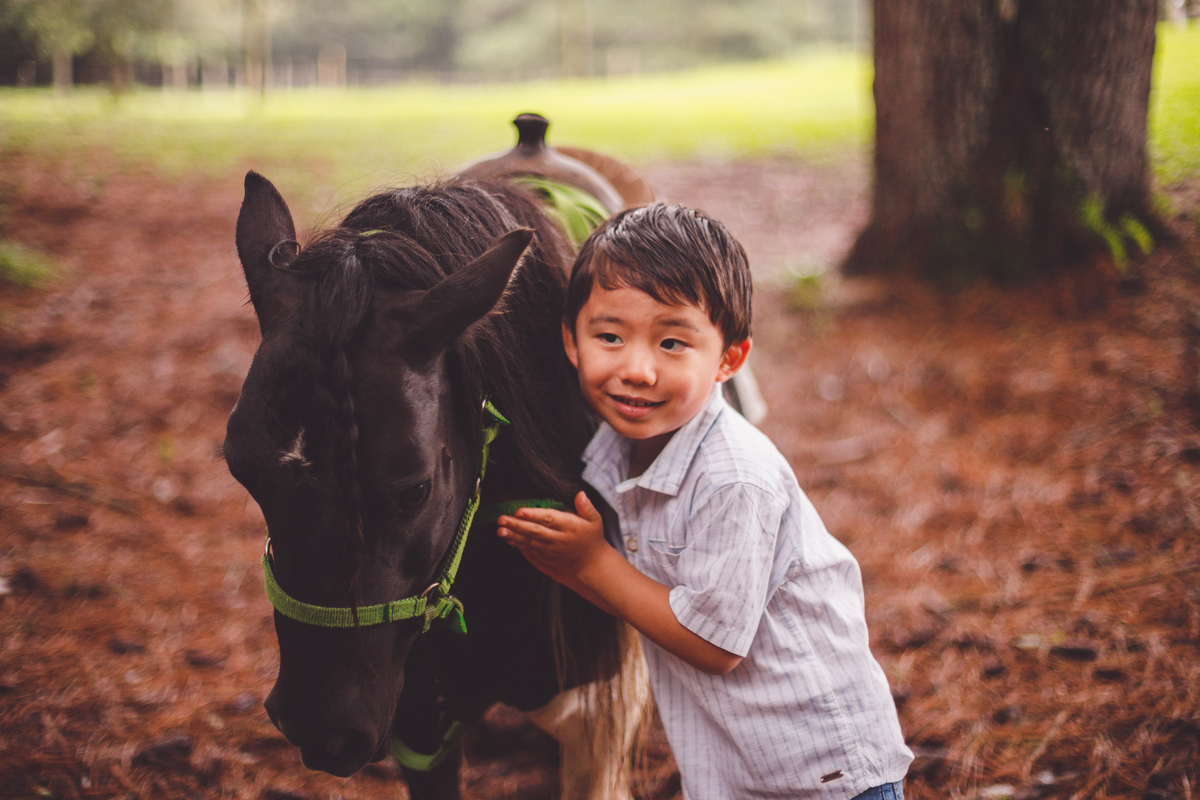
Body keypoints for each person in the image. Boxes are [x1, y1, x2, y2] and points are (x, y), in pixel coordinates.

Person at [497, 203, 913, 799]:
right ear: (571, 340)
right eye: (609, 337)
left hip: (823, 773)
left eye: (671, 343)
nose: (637, 369)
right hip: (738, 766)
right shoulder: (614, 451)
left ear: (728, 360)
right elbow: (648, 597)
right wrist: (571, 567)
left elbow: (715, 645)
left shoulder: (733, 478)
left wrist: (592, 563)